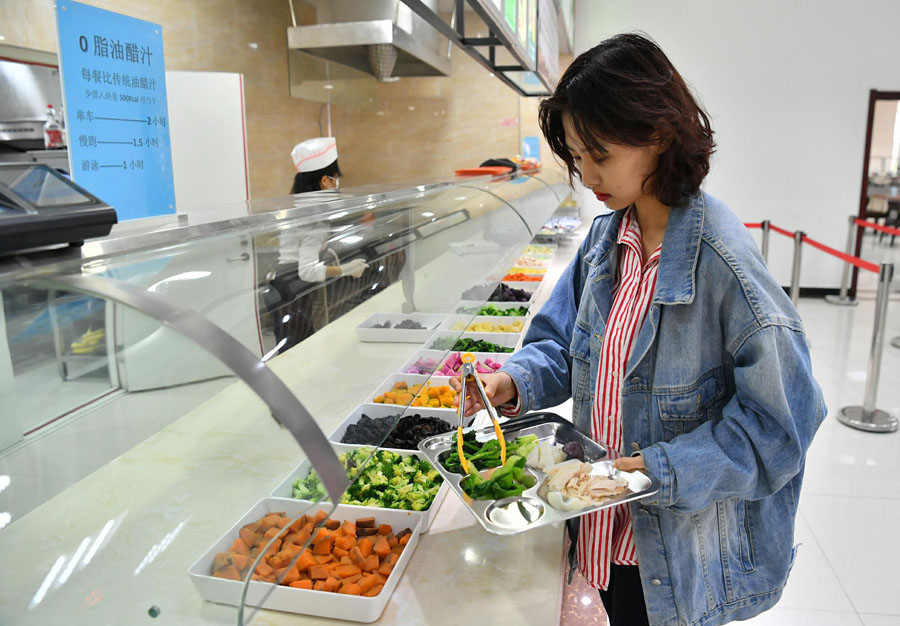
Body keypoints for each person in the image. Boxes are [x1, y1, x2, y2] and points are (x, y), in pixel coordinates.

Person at [453, 34, 825, 626]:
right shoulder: (606, 242)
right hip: (604, 531)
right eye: (577, 158)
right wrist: (512, 381)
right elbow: (560, 344)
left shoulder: (723, 266)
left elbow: (781, 428)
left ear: (658, 134)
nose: (586, 175)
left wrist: (662, 468)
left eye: (599, 155)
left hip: (676, 556)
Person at [267, 138, 368, 351]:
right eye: (335, 180)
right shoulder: (315, 220)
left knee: (293, 344)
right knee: (296, 347)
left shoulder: (301, 207)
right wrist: (346, 269)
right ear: (325, 181)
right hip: (291, 287)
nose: (336, 186)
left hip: (283, 283)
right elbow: (307, 271)